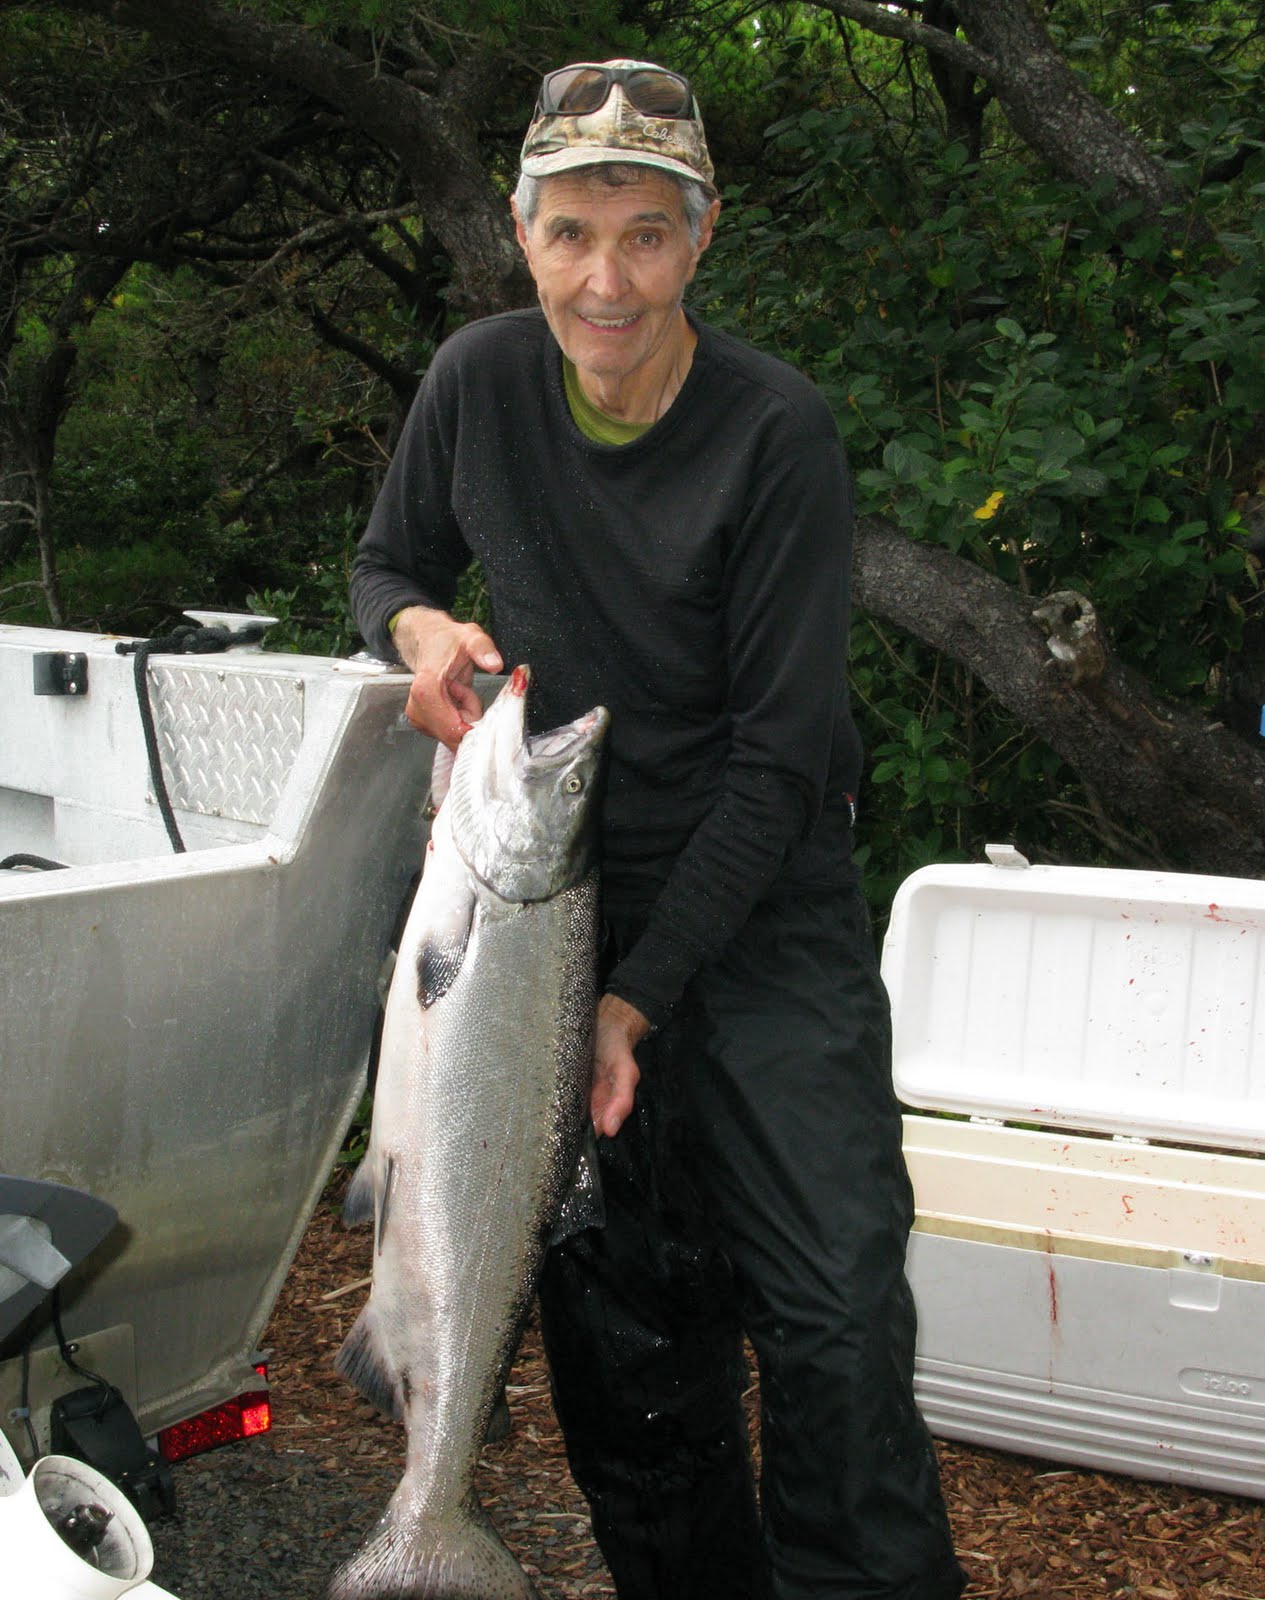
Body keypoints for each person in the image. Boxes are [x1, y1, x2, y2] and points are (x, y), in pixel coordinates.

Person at [350, 57, 965, 1600]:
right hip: (544, 918)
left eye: (642, 232)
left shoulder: (774, 433)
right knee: (631, 1350)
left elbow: (780, 764)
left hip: (759, 927)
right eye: (569, 233)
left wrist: (628, 1005)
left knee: (832, 1321)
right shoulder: (476, 380)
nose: (603, 277)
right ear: (520, 233)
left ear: (702, 237)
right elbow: (386, 566)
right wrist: (422, 633)